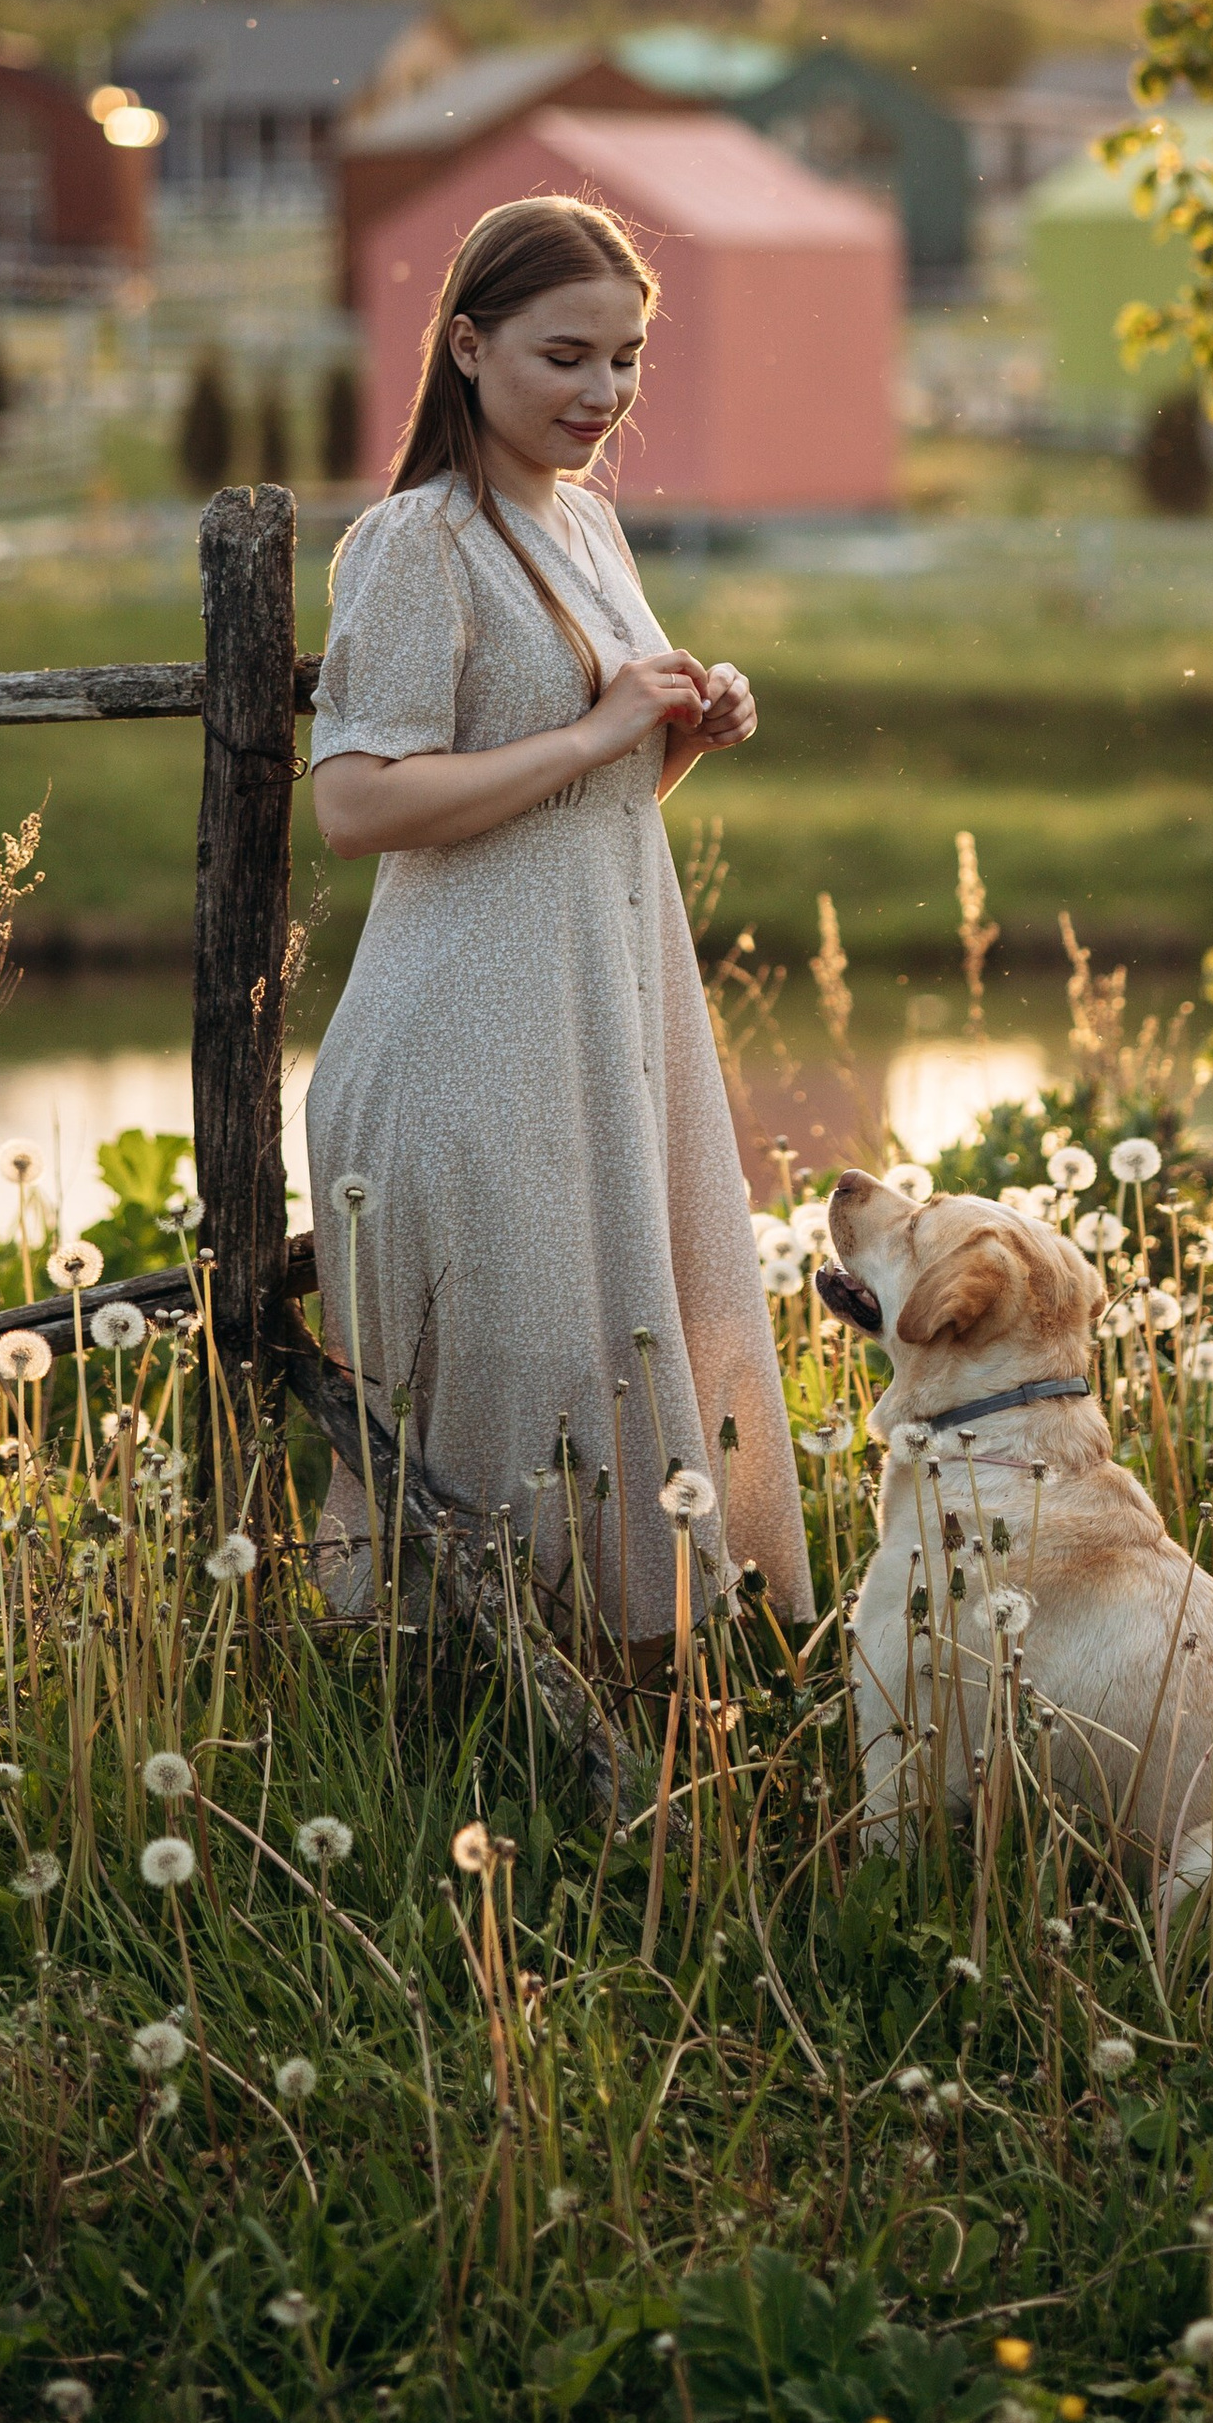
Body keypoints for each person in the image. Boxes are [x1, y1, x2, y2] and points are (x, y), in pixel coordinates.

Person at [303, 191, 813, 1659]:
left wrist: (688, 728)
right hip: (466, 1033)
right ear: (467, 346)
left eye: (628, 361)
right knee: (514, 1393)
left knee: (623, 1362)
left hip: (600, 1014)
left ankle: (630, 1705)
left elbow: (596, 791)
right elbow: (358, 805)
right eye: (564, 357)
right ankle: (461, 1712)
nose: (603, 397)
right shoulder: (417, 540)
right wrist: (600, 732)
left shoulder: (583, 521)